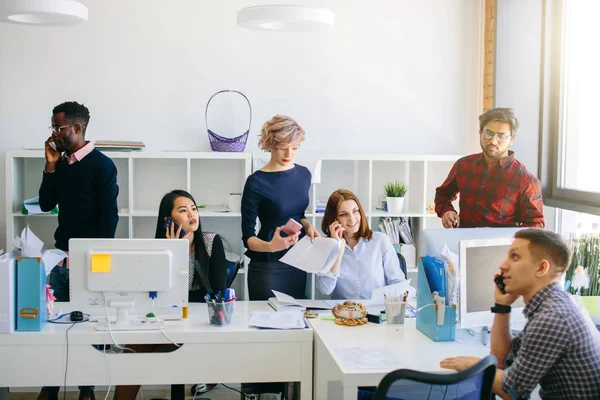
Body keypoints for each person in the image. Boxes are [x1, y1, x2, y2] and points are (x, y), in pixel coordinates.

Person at [440, 229, 600, 399]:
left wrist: (473, 365)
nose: (503, 266)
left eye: (514, 257)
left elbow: (512, 391)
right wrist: (502, 306)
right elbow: (502, 359)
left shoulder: (552, 317)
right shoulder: (555, 303)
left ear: (541, 268)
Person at [38, 101, 119, 400]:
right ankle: (51, 388)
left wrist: (96, 260)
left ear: (77, 128)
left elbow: (110, 216)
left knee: (87, 329)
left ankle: (87, 389)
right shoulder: (60, 164)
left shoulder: (102, 165)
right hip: (61, 257)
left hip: (90, 260)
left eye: (58, 128)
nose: (54, 134)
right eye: (53, 127)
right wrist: (49, 165)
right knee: (54, 329)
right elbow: (46, 203)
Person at [114, 190, 227, 400]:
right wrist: (174, 250)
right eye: (183, 210)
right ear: (168, 220)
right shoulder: (159, 248)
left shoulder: (212, 242)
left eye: (193, 209)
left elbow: (217, 291)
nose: (192, 214)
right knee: (133, 346)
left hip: (202, 321)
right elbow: (157, 294)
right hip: (169, 319)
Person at [241, 115, 319, 300]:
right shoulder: (256, 182)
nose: (289, 154)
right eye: (283, 148)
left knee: (297, 322)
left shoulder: (304, 174)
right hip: (268, 266)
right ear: (269, 145)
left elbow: (298, 214)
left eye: (294, 148)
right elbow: (248, 238)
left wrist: (307, 226)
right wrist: (270, 246)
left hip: (298, 261)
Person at [434, 108, 544, 229]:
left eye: (501, 136)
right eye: (488, 133)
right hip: (462, 242)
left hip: (499, 246)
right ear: (480, 133)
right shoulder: (463, 165)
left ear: (511, 140)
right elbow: (442, 194)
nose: (493, 141)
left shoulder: (525, 180)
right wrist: (446, 211)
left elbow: (535, 224)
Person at [316, 189, 406, 299]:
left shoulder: (380, 241)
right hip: (343, 312)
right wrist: (338, 249)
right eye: (344, 214)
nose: (352, 219)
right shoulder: (326, 246)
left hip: (375, 311)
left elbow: (398, 282)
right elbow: (325, 289)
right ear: (334, 219)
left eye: (355, 211)